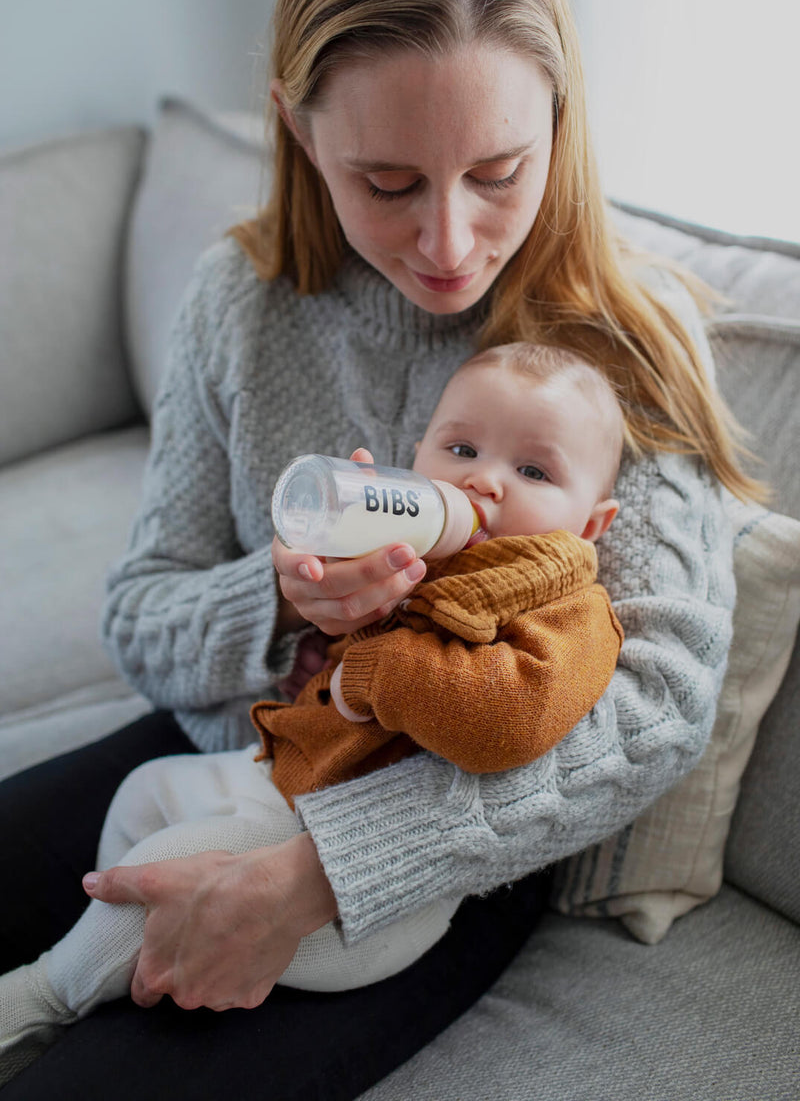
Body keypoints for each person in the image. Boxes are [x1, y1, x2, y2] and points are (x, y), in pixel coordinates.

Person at [0, 0, 761, 1096]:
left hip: (443, 847)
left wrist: (324, 872)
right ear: (301, 133)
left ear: (559, 125)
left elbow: (655, 708)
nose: (450, 240)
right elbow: (140, 615)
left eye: (498, 172)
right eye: (389, 180)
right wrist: (290, 596)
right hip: (242, 744)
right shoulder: (237, 303)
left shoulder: (624, 351)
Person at [0, 342, 625, 1078]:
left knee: (161, 862)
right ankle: (139, 957)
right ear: (413, 459)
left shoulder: (568, 611)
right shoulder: (403, 553)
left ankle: (44, 999)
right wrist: (317, 586)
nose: (484, 481)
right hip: (282, 773)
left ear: (590, 525)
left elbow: (507, 725)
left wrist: (370, 666)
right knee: (147, 792)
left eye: (533, 472)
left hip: (370, 864)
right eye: (460, 448)